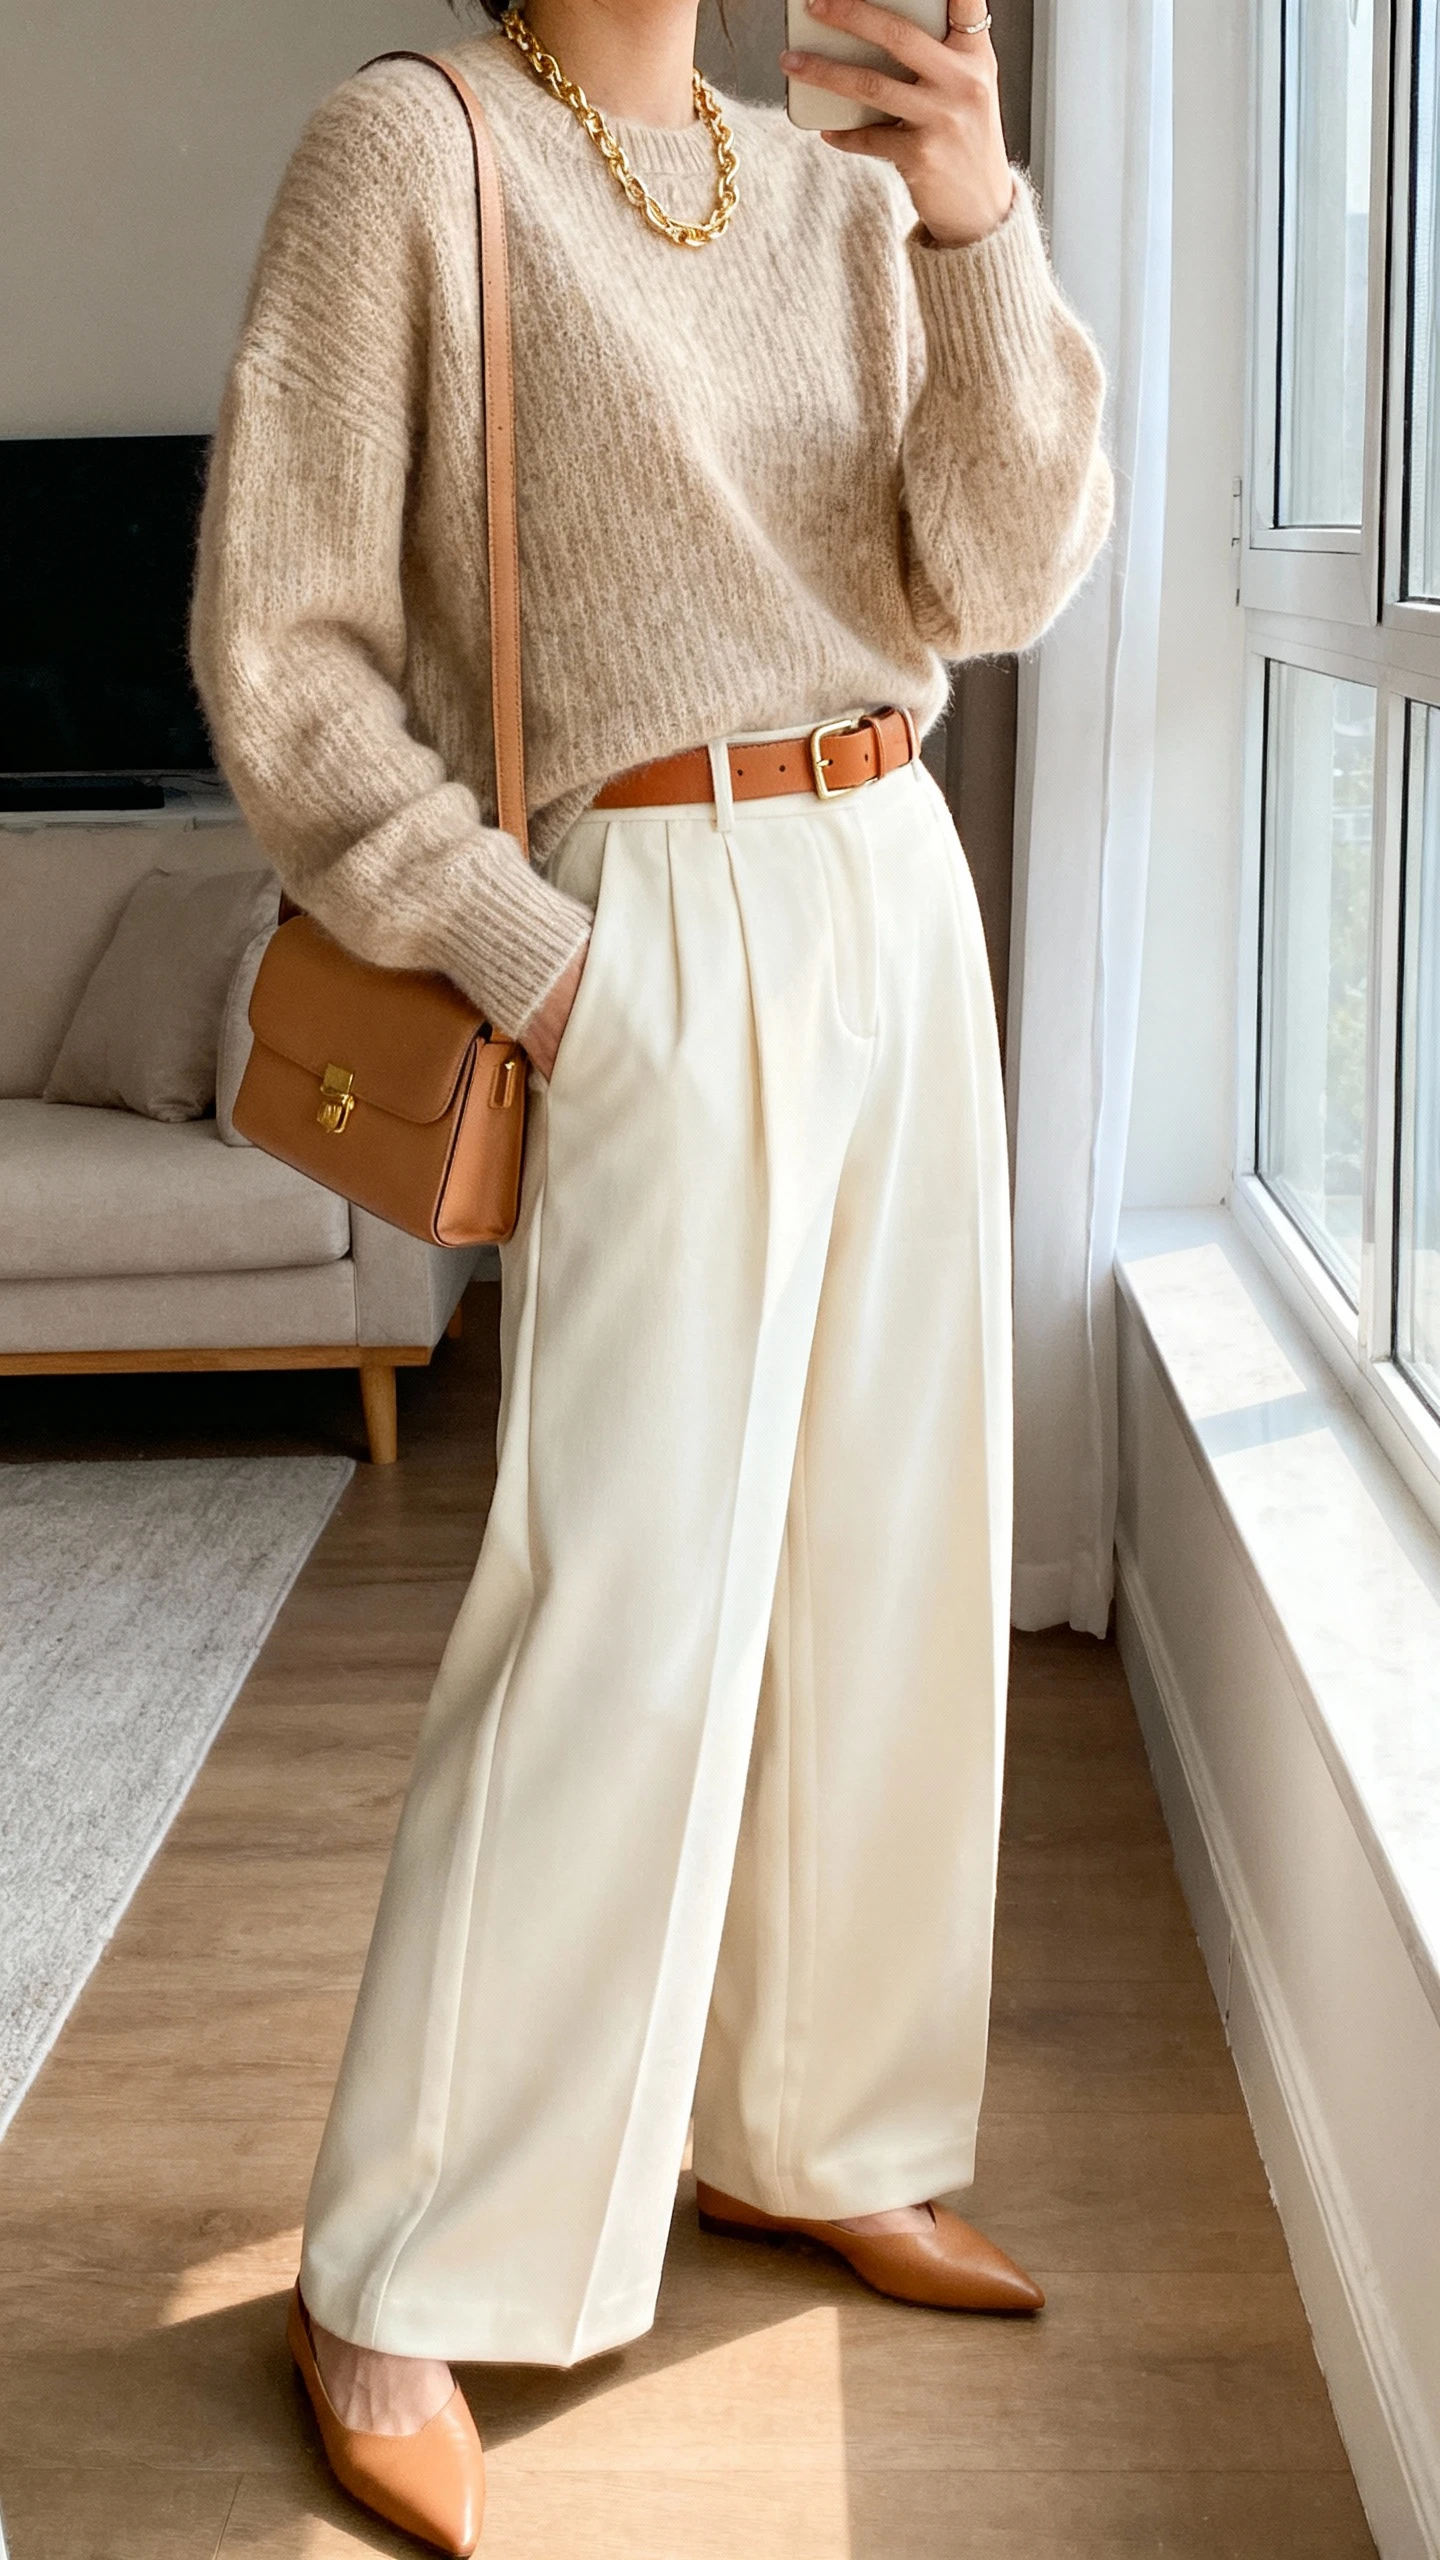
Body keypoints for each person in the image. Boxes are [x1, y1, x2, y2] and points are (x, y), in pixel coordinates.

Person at [193, 0, 1112, 2543]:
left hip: (899, 882)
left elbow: (1004, 574)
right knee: (619, 1601)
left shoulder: (832, 186)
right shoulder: (409, 154)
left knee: (893, 1561)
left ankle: (823, 2126)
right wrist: (534, 953)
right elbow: (282, 652)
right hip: (644, 925)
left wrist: (974, 225)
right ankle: (395, 2265)